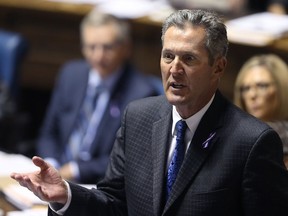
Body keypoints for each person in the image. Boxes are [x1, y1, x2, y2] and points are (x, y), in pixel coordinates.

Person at [11, 9, 288, 216]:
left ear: (218, 67)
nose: (174, 69)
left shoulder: (252, 142)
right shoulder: (138, 118)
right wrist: (66, 195)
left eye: (188, 58)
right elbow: (114, 203)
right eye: (168, 56)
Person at [35, 10, 163, 184]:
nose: (98, 56)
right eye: (91, 47)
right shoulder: (71, 74)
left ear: (126, 48)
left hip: (98, 185)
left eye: (107, 47)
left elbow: (129, 158)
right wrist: (50, 165)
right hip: (56, 176)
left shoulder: (141, 94)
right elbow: (49, 133)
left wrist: (75, 170)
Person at [234, 54, 288, 168]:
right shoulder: (233, 134)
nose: (252, 95)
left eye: (262, 86)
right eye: (245, 88)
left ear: (281, 88)